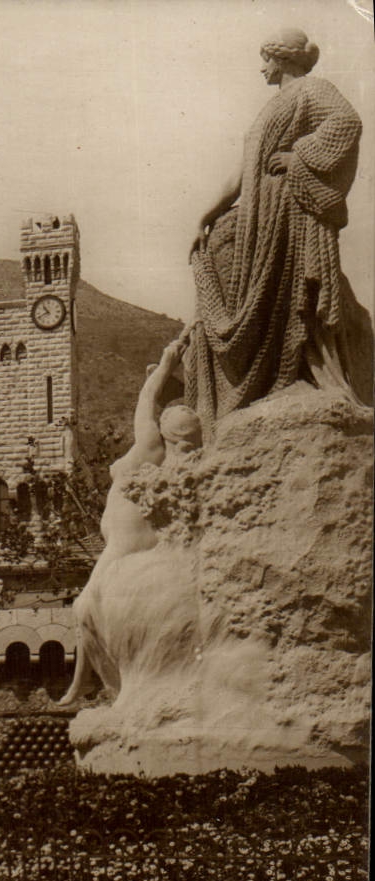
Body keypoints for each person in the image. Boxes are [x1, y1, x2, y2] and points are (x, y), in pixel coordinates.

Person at [187, 28, 372, 437]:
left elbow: (347, 123)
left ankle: (298, 373)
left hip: (290, 208)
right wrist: (208, 213)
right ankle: (271, 379)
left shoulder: (313, 89)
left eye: (266, 59)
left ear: (284, 59)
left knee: (291, 291)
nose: (262, 67)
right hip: (261, 214)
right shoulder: (272, 106)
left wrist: (299, 154)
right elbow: (243, 171)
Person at [59, 331, 200, 706]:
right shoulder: (174, 460)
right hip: (137, 544)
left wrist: (167, 360)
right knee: (88, 606)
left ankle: (93, 685)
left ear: (165, 429)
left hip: (122, 547)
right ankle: (96, 682)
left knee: (85, 606)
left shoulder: (150, 447)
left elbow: (145, 398)